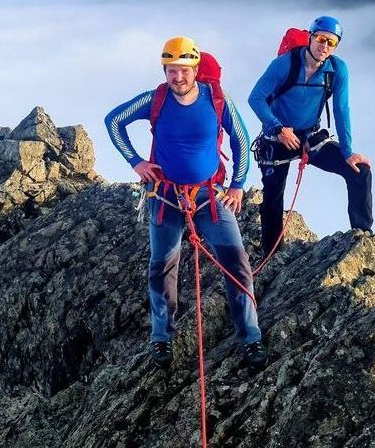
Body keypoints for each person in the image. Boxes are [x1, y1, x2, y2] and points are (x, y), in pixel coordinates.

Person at [105, 36, 266, 367]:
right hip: (165, 195)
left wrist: (237, 186)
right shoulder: (156, 100)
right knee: (162, 267)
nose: (177, 77)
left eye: (183, 70)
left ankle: (250, 337)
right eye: (171, 70)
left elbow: (241, 140)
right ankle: (162, 336)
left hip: (209, 195)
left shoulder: (217, 100)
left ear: (195, 69)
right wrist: (136, 162)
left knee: (237, 265)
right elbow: (114, 121)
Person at [247, 15, 373, 261]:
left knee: (360, 171)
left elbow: (341, 110)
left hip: (310, 136)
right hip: (277, 138)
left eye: (331, 42)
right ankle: (271, 255)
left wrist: (348, 152)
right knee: (273, 196)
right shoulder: (285, 64)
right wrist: (277, 129)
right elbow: (256, 98)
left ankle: (362, 237)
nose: (325, 46)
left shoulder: (336, 69)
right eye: (321, 39)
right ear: (310, 38)